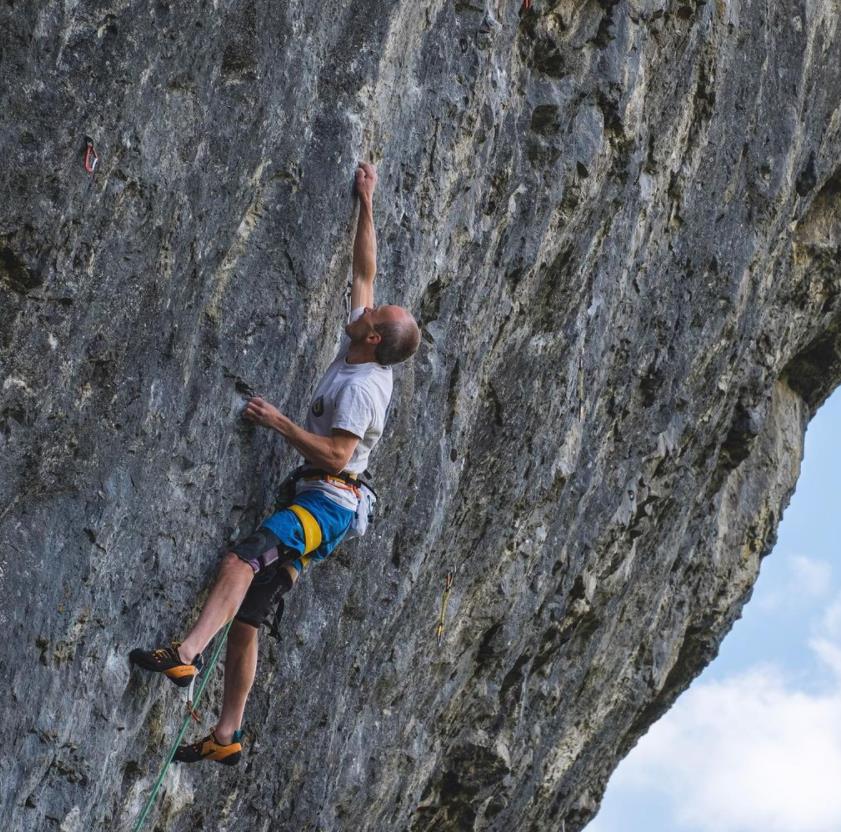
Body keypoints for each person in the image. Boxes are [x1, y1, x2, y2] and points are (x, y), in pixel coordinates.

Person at [130, 162, 420, 765]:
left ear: (373, 341)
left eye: (371, 316)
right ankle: (226, 735)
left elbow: (339, 454)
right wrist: (366, 201)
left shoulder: (360, 389)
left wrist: (278, 422)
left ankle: (185, 653)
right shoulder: (365, 348)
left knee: (243, 556)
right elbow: (364, 271)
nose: (363, 310)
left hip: (327, 503)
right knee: (251, 618)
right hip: (326, 506)